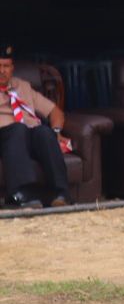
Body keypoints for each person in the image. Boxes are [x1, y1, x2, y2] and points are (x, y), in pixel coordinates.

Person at [0, 45, 72, 209]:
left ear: (12, 68)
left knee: (44, 133)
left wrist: (57, 132)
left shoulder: (22, 86)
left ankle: (60, 193)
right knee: (18, 129)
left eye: (6, 66)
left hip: (26, 135)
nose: (2, 71)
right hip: (4, 136)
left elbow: (55, 111)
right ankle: (21, 193)